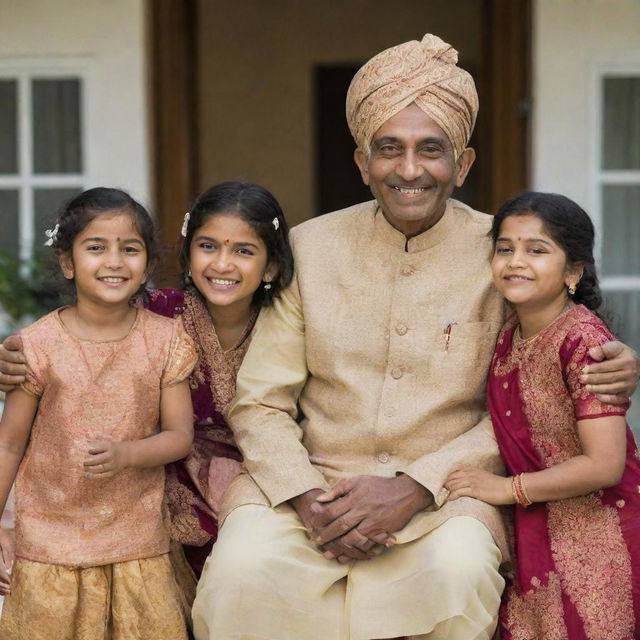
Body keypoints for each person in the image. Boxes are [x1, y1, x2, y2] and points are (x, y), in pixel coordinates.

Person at [190, 34, 639, 640]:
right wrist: (304, 498)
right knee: (240, 573)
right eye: (388, 149)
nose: (409, 170)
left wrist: (416, 486)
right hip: (308, 489)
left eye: (431, 150)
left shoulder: (500, 253)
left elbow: (524, 398)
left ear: (464, 163)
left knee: (458, 572)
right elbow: (262, 399)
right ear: (361, 162)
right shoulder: (309, 247)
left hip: (448, 492)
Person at [0, 181, 295, 606]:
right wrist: (17, 357)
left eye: (244, 251)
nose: (223, 264)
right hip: (152, 486)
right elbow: (83, 339)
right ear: (188, 254)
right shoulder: (156, 315)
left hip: (261, 483)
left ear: (270, 267)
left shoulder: (291, 326)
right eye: (208, 246)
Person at [0, 187, 197, 639]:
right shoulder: (37, 346)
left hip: (135, 538)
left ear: (147, 265)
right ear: (68, 262)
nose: (114, 261)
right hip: (50, 537)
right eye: (96, 247)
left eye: (130, 249)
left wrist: (128, 453)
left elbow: (178, 436)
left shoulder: (165, 340)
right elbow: (8, 442)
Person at [445, 192, 640, 639]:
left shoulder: (584, 344)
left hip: (600, 535)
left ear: (573, 271)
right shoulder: (512, 330)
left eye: (537, 250)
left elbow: (605, 464)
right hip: (540, 530)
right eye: (505, 248)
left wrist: (504, 488)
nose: (516, 261)